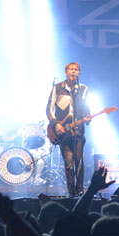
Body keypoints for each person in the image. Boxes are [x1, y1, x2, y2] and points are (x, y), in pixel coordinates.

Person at [46, 62, 90, 196]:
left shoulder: (83, 89)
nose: (74, 71)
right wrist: (55, 124)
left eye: (76, 70)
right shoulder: (57, 88)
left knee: (79, 161)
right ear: (66, 72)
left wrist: (88, 116)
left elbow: (85, 107)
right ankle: (71, 192)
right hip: (63, 131)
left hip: (78, 130)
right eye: (71, 69)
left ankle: (80, 190)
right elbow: (49, 108)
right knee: (69, 162)